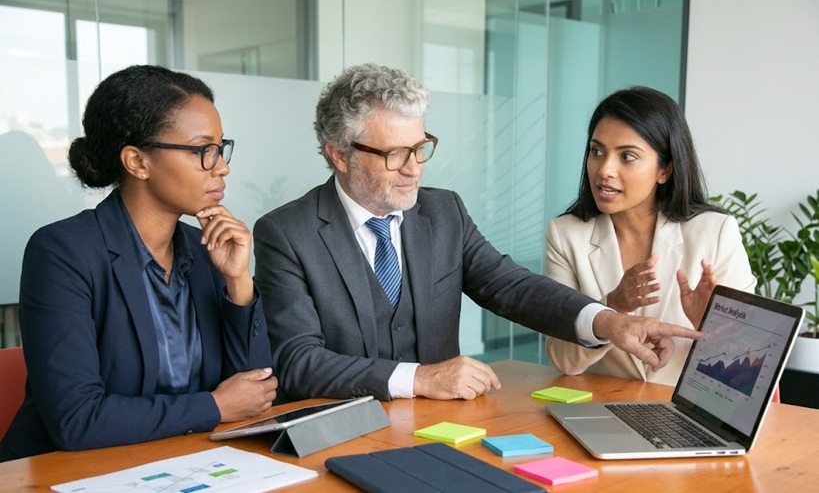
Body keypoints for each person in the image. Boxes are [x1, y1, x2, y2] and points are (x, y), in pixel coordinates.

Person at [253, 64, 700, 403]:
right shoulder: (286, 233)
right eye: (395, 154)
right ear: (340, 155)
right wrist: (421, 377)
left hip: (442, 431)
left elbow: (513, 288)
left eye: (420, 146)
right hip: (339, 435)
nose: (415, 168)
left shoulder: (442, 211)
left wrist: (609, 321)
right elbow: (298, 363)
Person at [0, 65, 277, 461]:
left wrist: (238, 282)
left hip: (184, 463)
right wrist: (214, 407)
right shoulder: (62, 252)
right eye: (203, 151)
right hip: (69, 474)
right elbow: (77, 419)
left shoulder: (204, 250)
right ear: (137, 161)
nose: (222, 166)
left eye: (221, 147)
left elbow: (256, 393)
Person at [545, 86, 755, 385]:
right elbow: (562, 359)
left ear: (665, 170)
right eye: (597, 151)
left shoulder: (715, 232)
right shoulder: (567, 234)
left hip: (686, 413)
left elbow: (753, 362)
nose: (605, 169)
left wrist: (705, 324)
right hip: (602, 409)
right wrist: (612, 307)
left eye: (627, 156)